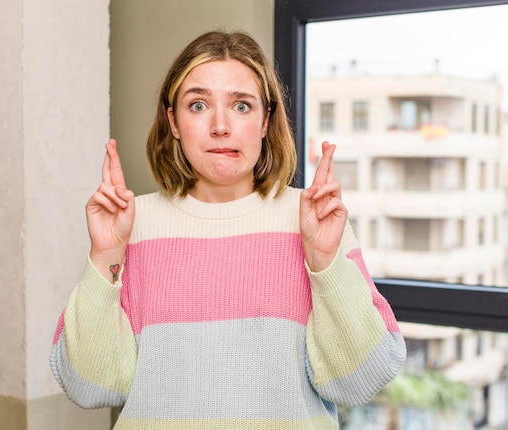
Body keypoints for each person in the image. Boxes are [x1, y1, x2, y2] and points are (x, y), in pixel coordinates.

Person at [51, 30, 406, 429]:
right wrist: (106, 255)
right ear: (174, 121)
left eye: (241, 105)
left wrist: (324, 262)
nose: (221, 126)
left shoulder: (314, 221)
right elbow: (88, 386)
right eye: (198, 105)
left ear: (265, 120)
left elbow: (360, 381)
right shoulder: (131, 225)